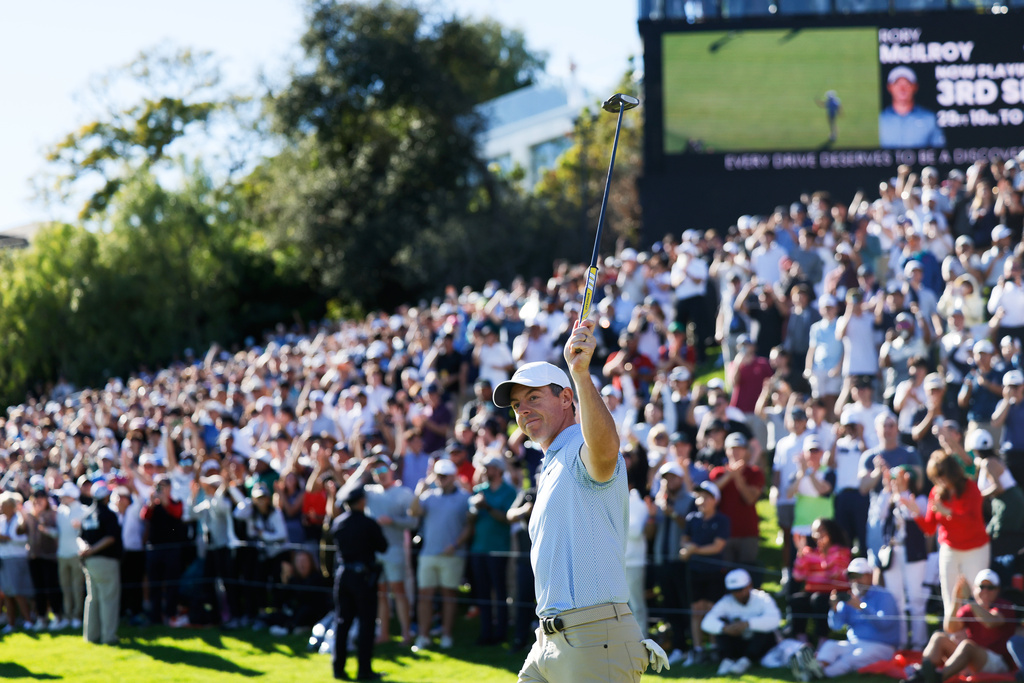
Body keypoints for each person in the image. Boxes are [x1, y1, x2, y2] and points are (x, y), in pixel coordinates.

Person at [492, 325, 668, 681]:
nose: (522, 410)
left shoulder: (579, 448)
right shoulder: (553, 461)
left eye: (533, 398)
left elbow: (605, 450)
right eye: (516, 405)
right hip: (549, 640)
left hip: (594, 635)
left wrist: (582, 375)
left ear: (566, 399)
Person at [904, 450, 989, 615]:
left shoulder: (971, 488)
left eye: (941, 475)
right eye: (935, 477)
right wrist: (916, 513)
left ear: (952, 472)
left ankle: (978, 636)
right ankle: (952, 635)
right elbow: (929, 528)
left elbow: (972, 523)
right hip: (950, 550)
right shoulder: (936, 492)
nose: (939, 480)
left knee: (978, 597)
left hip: (975, 549)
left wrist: (948, 513)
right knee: (950, 599)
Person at [790, 557, 900, 680]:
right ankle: (815, 667)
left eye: (859, 576)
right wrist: (835, 609)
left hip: (882, 646)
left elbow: (885, 624)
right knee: (830, 645)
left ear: (870, 576)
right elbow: (836, 626)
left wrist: (862, 607)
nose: (855, 580)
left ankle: (819, 674)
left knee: (851, 659)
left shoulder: (884, 596)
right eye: (852, 577)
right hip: (854, 643)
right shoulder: (850, 597)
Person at [906, 569, 1015, 683]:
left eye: (990, 587)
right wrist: (956, 599)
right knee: (939, 637)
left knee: (967, 646)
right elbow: (950, 628)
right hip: (971, 660)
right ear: (975, 589)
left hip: (999, 663)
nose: (985, 591)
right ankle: (921, 675)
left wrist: (969, 599)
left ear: (998, 590)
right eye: (982, 587)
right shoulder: (970, 608)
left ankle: (936, 679)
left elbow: (991, 622)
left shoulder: (1004, 606)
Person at [408, 458, 471, 651]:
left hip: (453, 555)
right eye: (439, 475)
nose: (441, 479)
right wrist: (419, 491)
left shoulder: (464, 497)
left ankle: (446, 634)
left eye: (445, 476)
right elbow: (413, 512)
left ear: (453, 476)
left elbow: (470, 525)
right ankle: (424, 636)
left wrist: (456, 544)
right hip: (429, 553)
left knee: (448, 595)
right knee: (425, 596)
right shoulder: (428, 496)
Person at [330, 485, 388, 682]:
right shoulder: (368, 523)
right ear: (361, 501)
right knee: (366, 623)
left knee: (342, 622)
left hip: (343, 575)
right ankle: (364, 669)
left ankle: (338, 668)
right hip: (363, 577)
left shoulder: (338, 523)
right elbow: (383, 546)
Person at [467, 454, 517, 646]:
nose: (486, 471)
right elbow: (470, 519)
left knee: (500, 590)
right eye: (485, 468)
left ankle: (501, 632)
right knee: (483, 592)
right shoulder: (479, 490)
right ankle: (485, 631)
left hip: (499, 549)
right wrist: (474, 510)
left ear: (499, 470)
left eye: (490, 468)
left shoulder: (509, 491)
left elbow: (506, 518)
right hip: (478, 548)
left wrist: (486, 507)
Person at [701, 568, 782, 676]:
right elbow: (706, 622)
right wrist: (725, 628)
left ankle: (746, 660)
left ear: (749, 585)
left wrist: (748, 624)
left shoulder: (762, 598)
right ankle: (727, 659)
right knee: (720, 624)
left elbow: (775, 620)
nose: (738, 594)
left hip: (760, 645)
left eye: (740, 589)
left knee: (764, 629)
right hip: (738, 644)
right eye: (734, 590)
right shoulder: (726, 601)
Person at [788, 517, 851, 647]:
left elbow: (834, 575)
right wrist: (800, 555)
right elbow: (798, 576)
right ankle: (802, 639)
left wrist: (824, 554)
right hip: (813, 592)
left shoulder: (841, 551)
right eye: (815, 531)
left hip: (835, 593)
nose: (818, 535)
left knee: (819, 600)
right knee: (797, 599)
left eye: (822, 531)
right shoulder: (809, 552)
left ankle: (822, 638)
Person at [77, 483, 122, 645]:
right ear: (106, 497)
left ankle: (91, 636)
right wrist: (93, 550)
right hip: (105, 560)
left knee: (92, 598)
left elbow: (80, 537)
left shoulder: (87, 514)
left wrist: (85, 549)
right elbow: (111, 537)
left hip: (89, 562)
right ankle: (108, 637)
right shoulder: (109, 514)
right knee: (108, 598)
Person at [879, 66, 946, 149]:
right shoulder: (879, 119)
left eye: (907, 84)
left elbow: (940, 153)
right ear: (889, 87)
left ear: (915, 87)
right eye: (897, 83)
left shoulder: (929, 118)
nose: (902, 89)